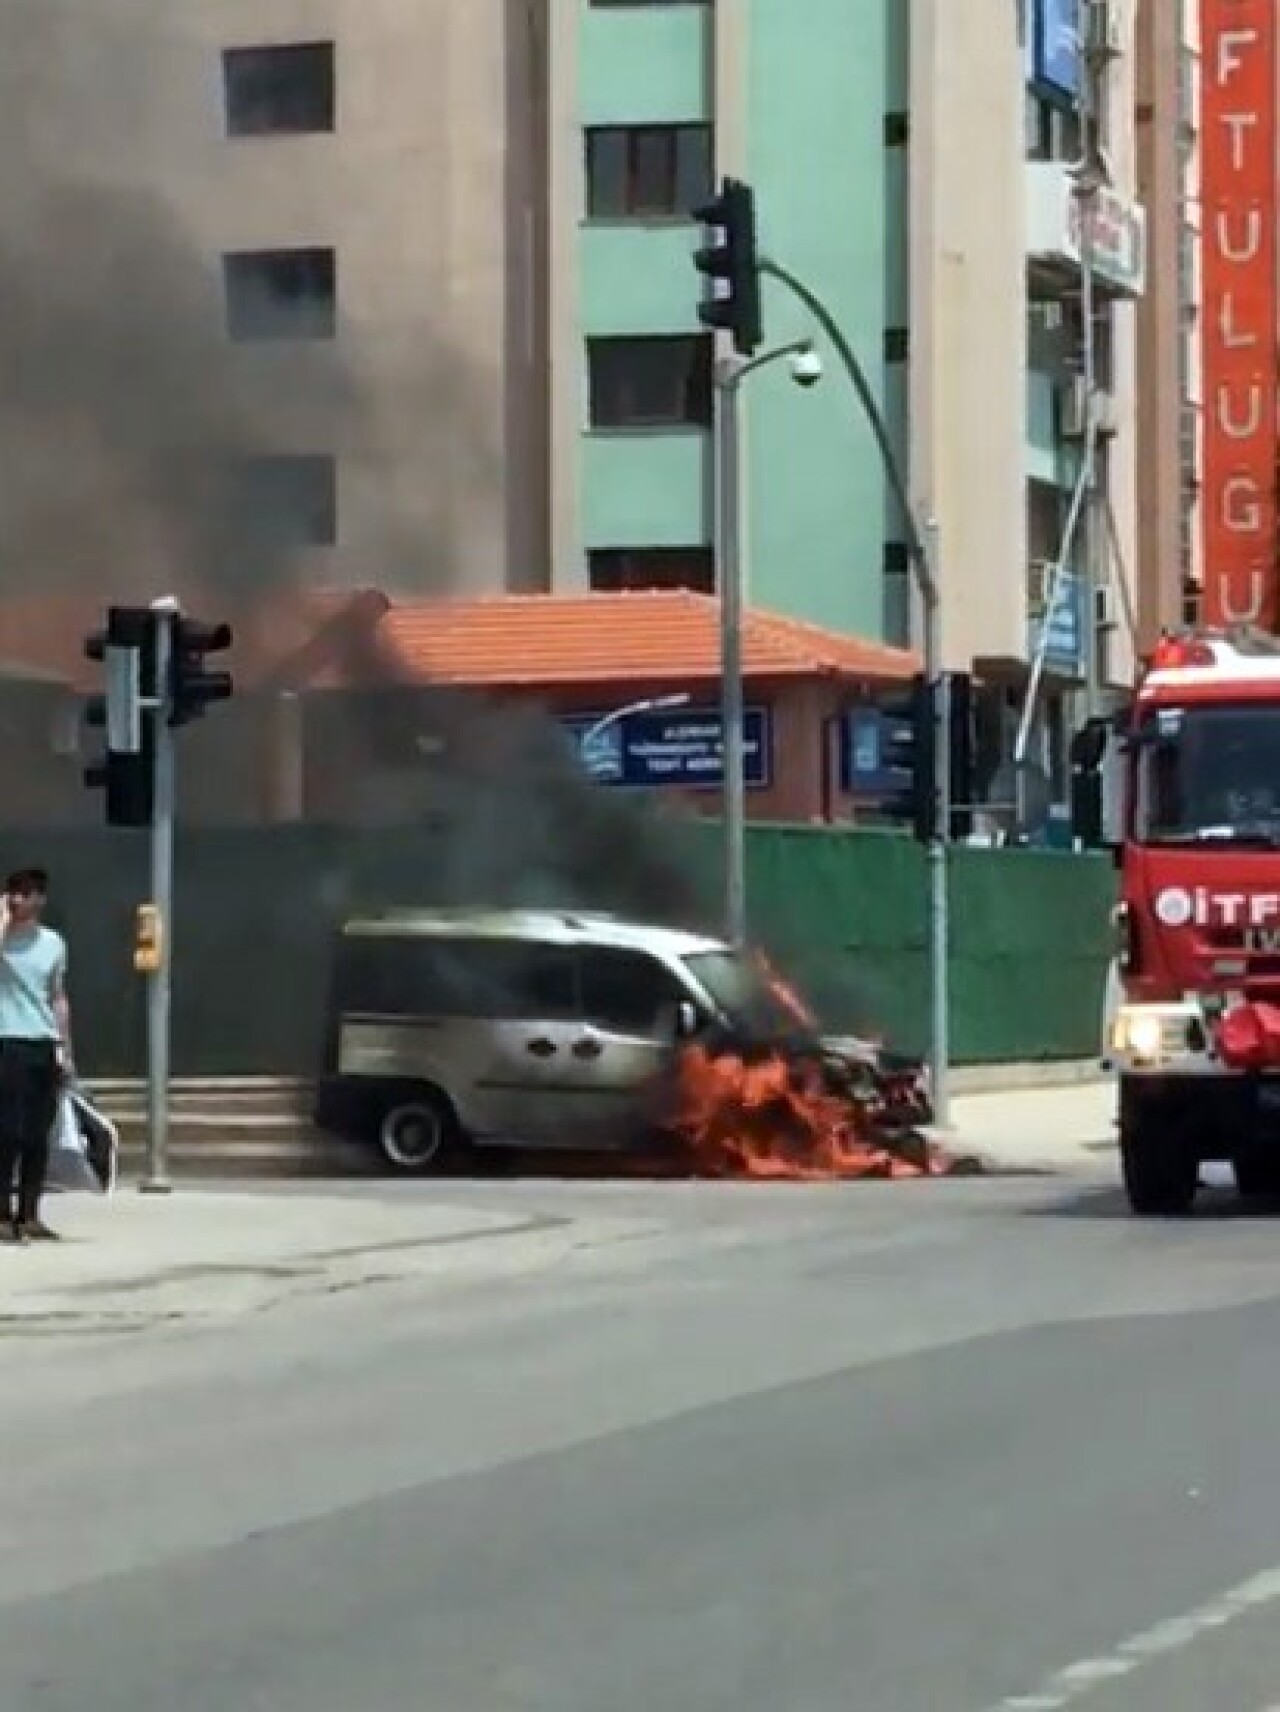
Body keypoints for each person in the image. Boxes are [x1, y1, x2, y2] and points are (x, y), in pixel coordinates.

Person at [0, 868, 72, 1243]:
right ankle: (1, 1212)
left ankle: (29, 1213)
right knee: (6, 1131)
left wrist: (65, 1048)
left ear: (40, 899)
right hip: (5, 1040)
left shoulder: (53, 943)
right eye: (12, 892)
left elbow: (57, 995)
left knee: (36, 1135)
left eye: (25, 894)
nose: (17, 900)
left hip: (42, 1042)